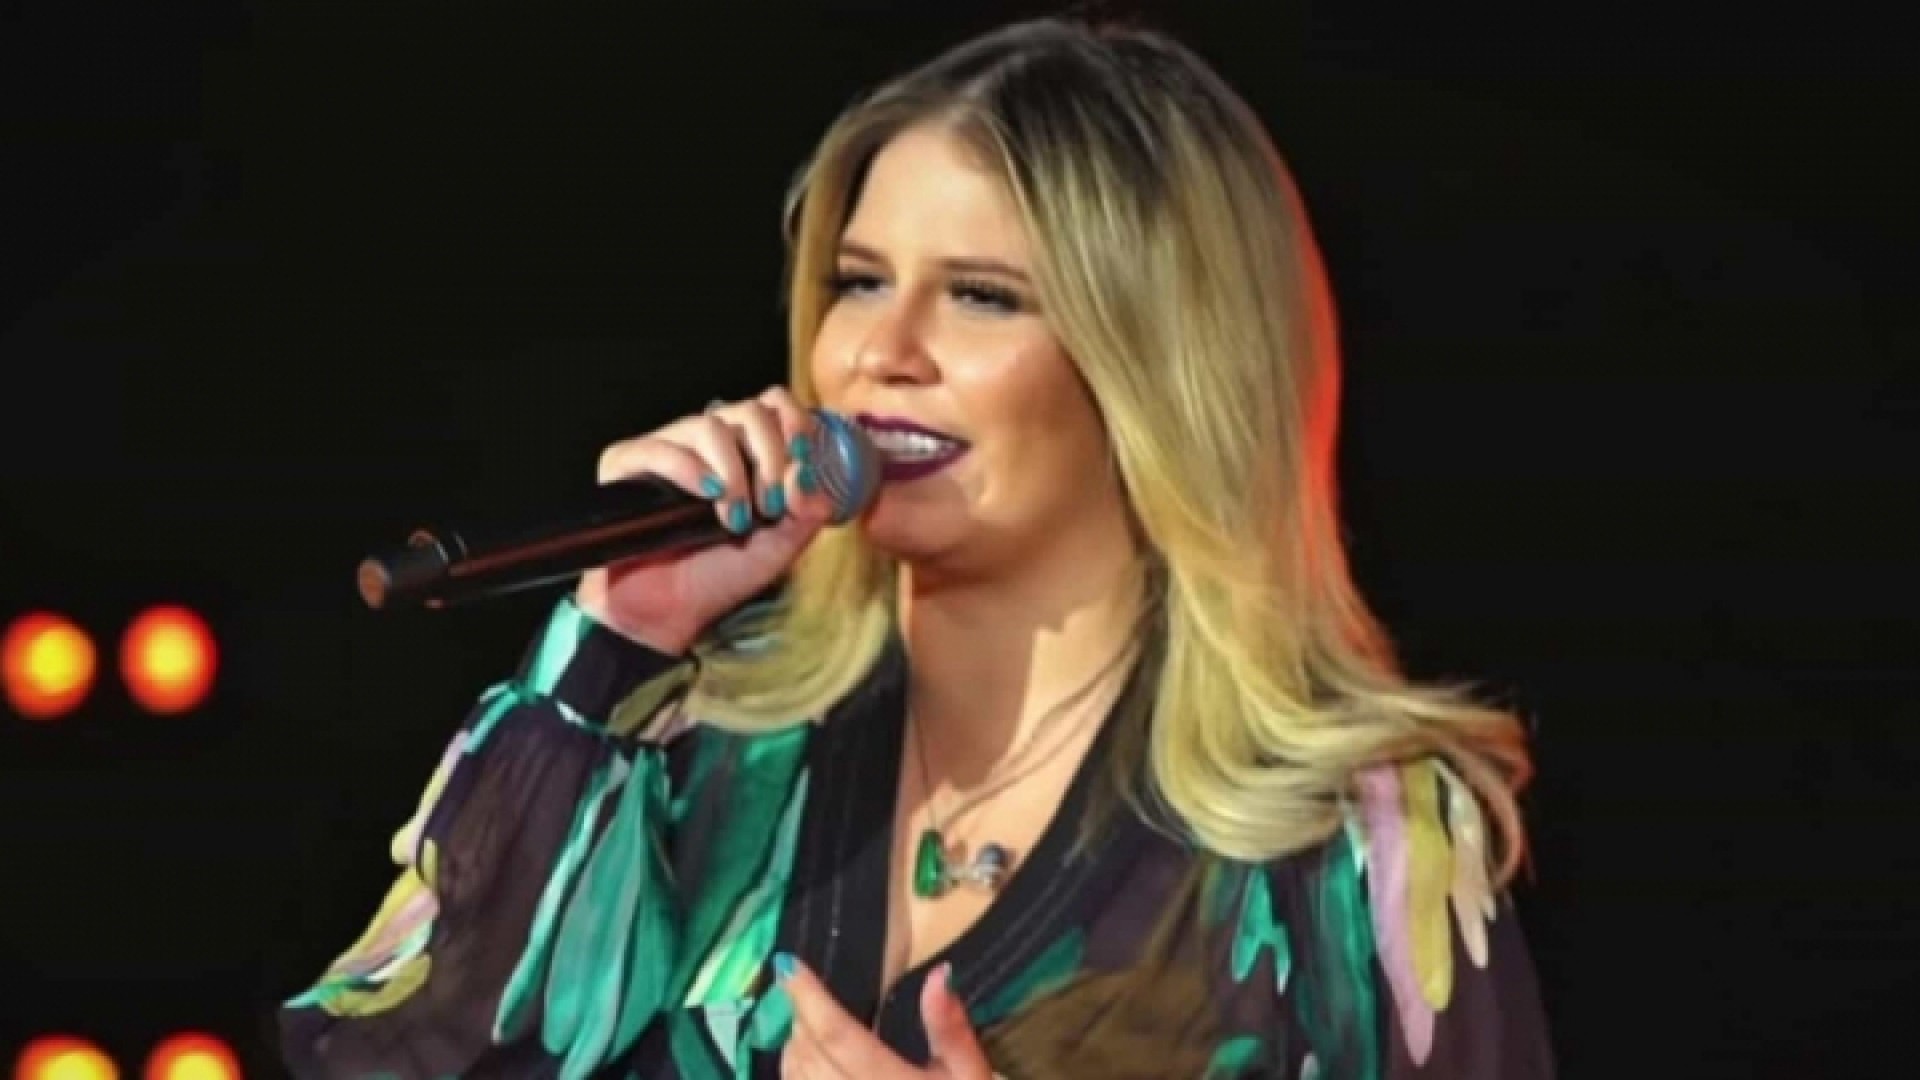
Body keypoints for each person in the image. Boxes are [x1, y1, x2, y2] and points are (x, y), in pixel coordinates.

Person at [279, 15, 1554, 1080]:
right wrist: (614, 646)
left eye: (983, 295)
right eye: (859, 280)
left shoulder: (1356, 844)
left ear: (1162, 362)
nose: (880, 353)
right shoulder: (686, 741)